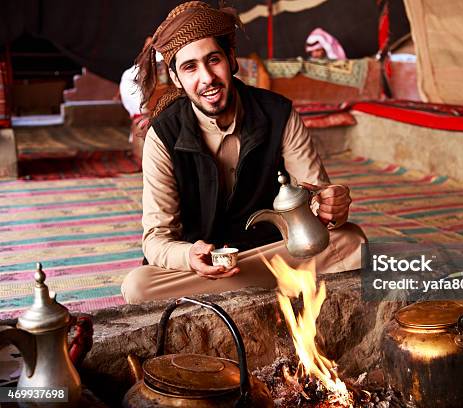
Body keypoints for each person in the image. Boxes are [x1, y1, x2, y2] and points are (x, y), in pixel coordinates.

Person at [120, 1, 366, 304]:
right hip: (207, 268)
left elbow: (315, 199)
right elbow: (156, 240)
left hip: (271, 251)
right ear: (176, 79)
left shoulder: (278, 114)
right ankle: (268, 290)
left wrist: (331, 206)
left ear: (231, 58)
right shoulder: (162, 135)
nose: (207, 77)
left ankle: (229, 295)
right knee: (138, 287)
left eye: (213, 60)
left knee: (351, 242)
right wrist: (189, 256)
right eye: (190, 67)